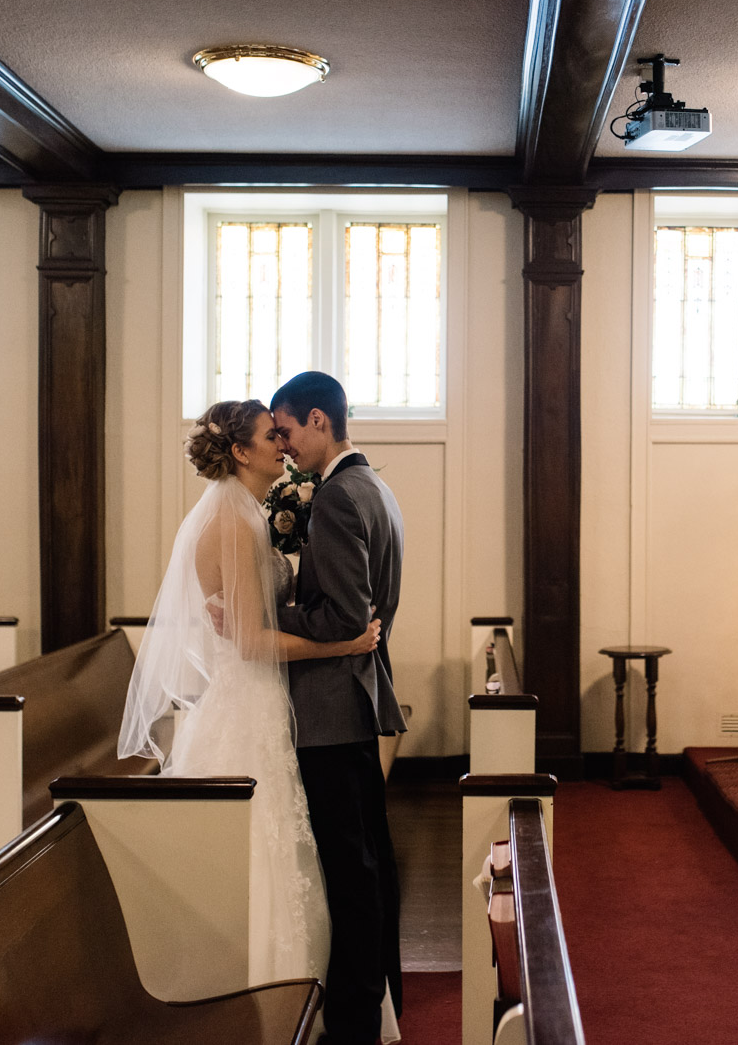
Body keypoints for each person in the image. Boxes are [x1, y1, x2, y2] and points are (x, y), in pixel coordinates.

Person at [116, 398, 385, 1017]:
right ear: (240, 452)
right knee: (262, 851)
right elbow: (251, 641)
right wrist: (343, 641)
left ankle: (287, 993)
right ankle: (261, 993)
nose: (282, 446)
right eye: (271, 436)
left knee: (283, 850)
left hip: (262, 703)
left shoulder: (248, 514)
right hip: (248, 702)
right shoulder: (235, 521)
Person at [270, 371, 407, 1045]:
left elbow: (346, 617)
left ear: (319, 421)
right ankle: (386, 1000)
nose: (284, 446)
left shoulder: (337, 499)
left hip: (329, 710)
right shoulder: (376, 488)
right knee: (370, 862)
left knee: (349, 873)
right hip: (357, 698)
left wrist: (268, 609)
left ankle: (354, 1021)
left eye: (288, 429)